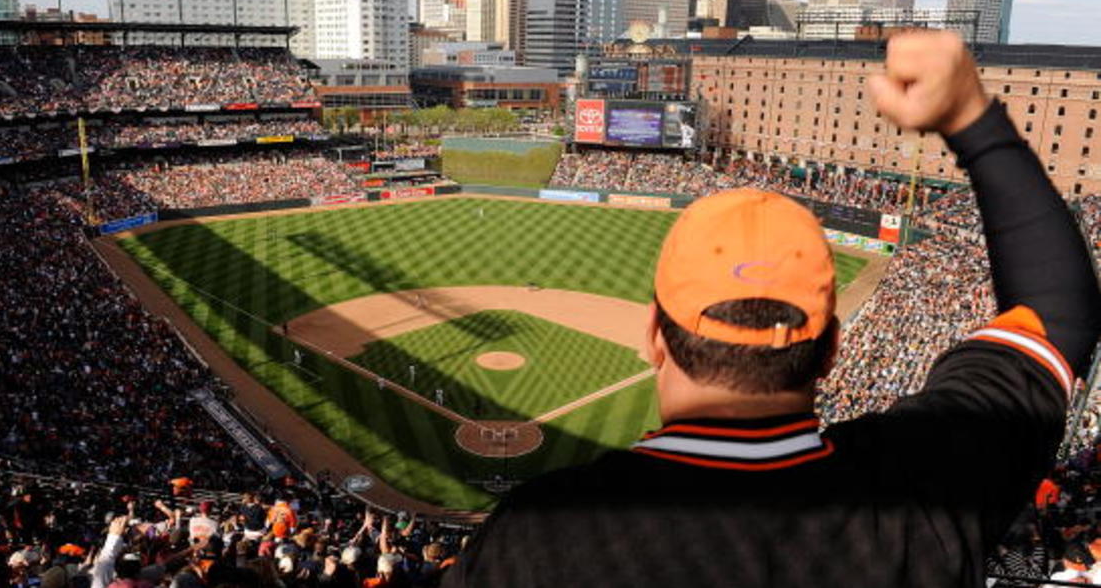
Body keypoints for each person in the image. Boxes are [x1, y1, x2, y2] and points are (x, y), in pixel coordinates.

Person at [443, 31, 1101, 588]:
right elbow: (1059, 312)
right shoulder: (920, 488)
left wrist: (970, 120)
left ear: (655, 336)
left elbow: (1060, 312)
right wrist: (972, 117)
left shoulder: (538, 535)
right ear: (832, 348)